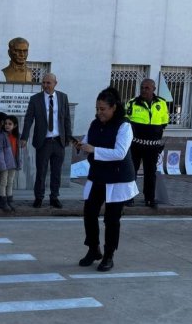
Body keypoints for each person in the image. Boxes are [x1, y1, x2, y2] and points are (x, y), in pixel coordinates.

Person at [76, 87, 138, 272]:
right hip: (98, 174)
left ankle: (109, 254)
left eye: (103, 109)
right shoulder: (95, 124)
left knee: (112, 219)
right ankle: (93, 249)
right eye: (97, 108)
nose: (99, 112)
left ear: (113, 108)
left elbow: (120, 153)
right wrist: (81, 145)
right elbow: (88, 141)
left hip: (117, 177)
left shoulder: (124, 126)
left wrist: (93, 149)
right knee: (89, 212)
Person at [21, 73, 72, 208]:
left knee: (56, 172)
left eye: (48, 83)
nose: (45, 85)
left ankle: (54, 197)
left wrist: (68, 138)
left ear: (55, 83)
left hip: (58, 141)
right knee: (41, 172)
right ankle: (39, 197)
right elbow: (28, 119)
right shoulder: (35, 99)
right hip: (43, 142)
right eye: (43, 83)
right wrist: (24, 137)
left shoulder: (62, 97)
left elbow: (66, 119)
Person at [125, 78, 169, 208]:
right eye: (142, 87)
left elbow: (164, 121)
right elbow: (126, 123)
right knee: (131, 171)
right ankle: (129, 197)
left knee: (150, 173)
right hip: (135, 145)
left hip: (152, 146)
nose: (144, 90)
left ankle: (149, 198)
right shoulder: (132, 103)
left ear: (153, 89)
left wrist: (156, 134)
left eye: (147, 88)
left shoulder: (162, 103)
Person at [0, 115, 21, 212]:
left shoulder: (16, 136)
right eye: (5, 124)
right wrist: (2, 165)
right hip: (4, 165)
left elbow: (18, 151)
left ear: (15, 125)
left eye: (10, 124)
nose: (7, 126)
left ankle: (10, 200)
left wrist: (18, 162)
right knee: (3, 182)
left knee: (10, 182)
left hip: (13, 164)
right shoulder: (1, 136)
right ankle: (3, 201)